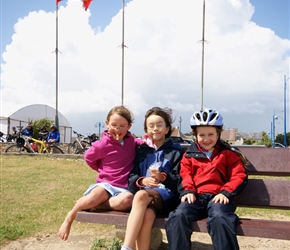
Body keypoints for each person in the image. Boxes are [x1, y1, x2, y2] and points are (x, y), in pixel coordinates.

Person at [165, 109, 248, 250]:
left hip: (218, 198)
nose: (206, 139)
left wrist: (225, 192)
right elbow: (185, 175)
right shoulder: (189, 155)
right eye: (201, 135)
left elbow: (238, 175)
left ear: (218, 134)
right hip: (195, 198)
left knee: (220, 217)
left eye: (211, 134)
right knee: (178, 216)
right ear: (195, 135)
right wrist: (188, 191)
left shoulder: (227, 154)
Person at [58, 106, 143, 241]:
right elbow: (88, 158)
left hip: (123, 188)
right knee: (95, 196)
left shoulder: (132, 141)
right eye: (114, 125)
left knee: (127, 199)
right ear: (107, 123)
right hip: (106, 184)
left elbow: (142, 143)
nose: (118, 129)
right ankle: (70, 217)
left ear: (129, 126)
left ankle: (99, 204)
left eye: (122, 126)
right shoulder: (101, 144)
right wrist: (101, 170)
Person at [121, 107, 184, 250]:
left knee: (141, 195)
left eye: (159, 125)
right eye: (151, 126)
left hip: (166, 198)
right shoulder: (142, 151)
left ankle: (126, 247)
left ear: (167, 129)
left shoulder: (175, 152)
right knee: (148, 215)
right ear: (146, 130)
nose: (155, 129)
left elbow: (179, 180)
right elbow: (132, 176)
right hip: (145, 201)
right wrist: (142, 181)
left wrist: (163, 177)